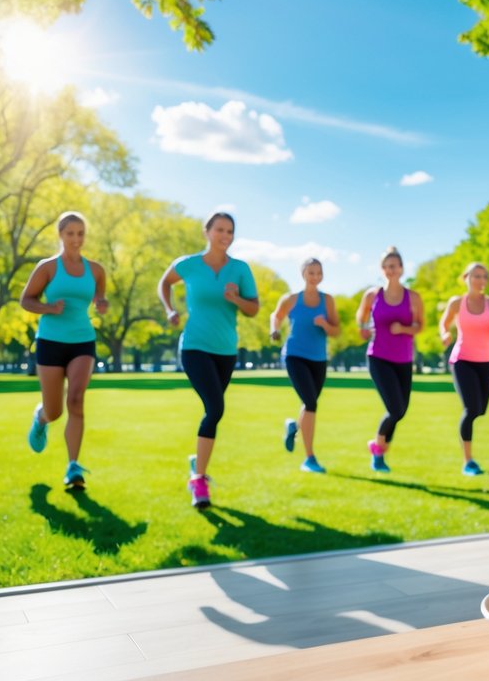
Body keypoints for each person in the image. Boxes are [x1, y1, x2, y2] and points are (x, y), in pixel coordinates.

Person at [158, 211, 260, 509]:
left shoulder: (240, 269)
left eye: (230, 231)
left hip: (226, 350)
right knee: (215, 408)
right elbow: (165, 283)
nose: (225, 236)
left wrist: (237, 299)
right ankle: (199, 480)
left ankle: (197, 464)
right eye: (220, 230)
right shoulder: (188, 265)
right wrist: (169, 309)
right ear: (207, 232)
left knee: (213, 412)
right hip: (194, 347)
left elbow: (253, 309)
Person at [19, 211, 108, 490]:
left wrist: (101, 304)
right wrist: (49, 308)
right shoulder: (47, 267)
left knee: (77, 400)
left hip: (82, 340)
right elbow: (26, 300)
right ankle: (41, 417)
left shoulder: (95, 270)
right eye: (70, 234)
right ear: (61, 235)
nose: (76, 239)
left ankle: (73, 467)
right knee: (56, 411)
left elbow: (99, 297)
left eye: (80, 234)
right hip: (50, 341)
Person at [356, 246, 425, 474]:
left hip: (403, 359)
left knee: (401, 411)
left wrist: (404, 328)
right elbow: (361, 316)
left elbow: (420, 326)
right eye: (385, 267)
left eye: (393, 266)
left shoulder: (413, 297)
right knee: (395, 409)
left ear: (402, 269)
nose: (389, 270)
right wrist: (363, 328)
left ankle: (379, 451)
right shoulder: (372, 294)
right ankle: (377, 450)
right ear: (381, 269)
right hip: (378, 357)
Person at [270, 258, 340, 474]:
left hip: (318, 358)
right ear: (303, 274)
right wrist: (274, 329)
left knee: (309, 404)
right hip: (295, 355)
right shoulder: (291, 299)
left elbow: (336, 331)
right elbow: (277, 315)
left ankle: (294, 427)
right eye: (311, 272)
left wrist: (325, 324)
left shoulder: (327, 300)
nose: (315, 277)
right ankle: (309, 458)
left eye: (319, 273)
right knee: (310, 403)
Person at [439, 262, 489, 476]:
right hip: (462, 360)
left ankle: (468, 456)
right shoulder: (457, 303)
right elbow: (444, 323)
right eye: (476, 276)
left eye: (484, 276)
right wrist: (444, 334)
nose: (480, 280)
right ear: (466, 277)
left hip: (485, 362)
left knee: (480, 409)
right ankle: (468, 461)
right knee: (470, 409)